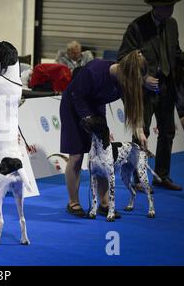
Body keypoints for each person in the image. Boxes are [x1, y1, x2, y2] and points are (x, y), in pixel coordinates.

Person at [118, 0, 184, 191]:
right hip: (144, 91)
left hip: (167, 88)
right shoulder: (137, 27)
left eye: (172, 6)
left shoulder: (172, 25)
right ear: (155, 6)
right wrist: (143, 78)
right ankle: (137, 179)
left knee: (167, 132)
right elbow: (123, 59)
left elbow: (175, 54)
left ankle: (162, 176)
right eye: (166, 6)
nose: (170, 10)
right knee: (142, 133)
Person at [59, 51, 147, 217]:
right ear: (123, 70)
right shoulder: (95, 70)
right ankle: (73, 202)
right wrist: (88, 120)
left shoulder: (127, 81)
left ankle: (104, 203)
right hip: (73, 106)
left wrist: (140, 131)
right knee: (76, 155)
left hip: (97, 108)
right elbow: (77, 95)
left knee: (104, 155)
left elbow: (134, 106)